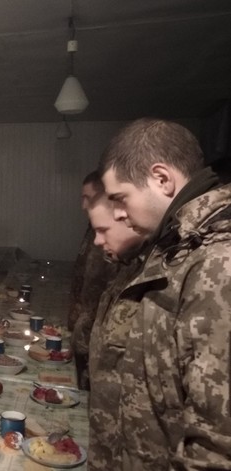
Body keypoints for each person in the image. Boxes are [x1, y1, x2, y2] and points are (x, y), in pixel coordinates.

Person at [99, 118, 231, 468]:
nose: (118, 214)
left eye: (120, 198)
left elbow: (217, 446)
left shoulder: (218, 261)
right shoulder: (180, 245)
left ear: (161, 179)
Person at [85, 190, 144, 470]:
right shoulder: (127, 267)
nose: (97, 240)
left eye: (103, 230)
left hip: (133, 444)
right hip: (109, 430)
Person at [67, 171, 115, 389]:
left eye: (88, 197)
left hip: (96, 335)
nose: (83, 205)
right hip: (85, 330)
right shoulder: (93, 230)